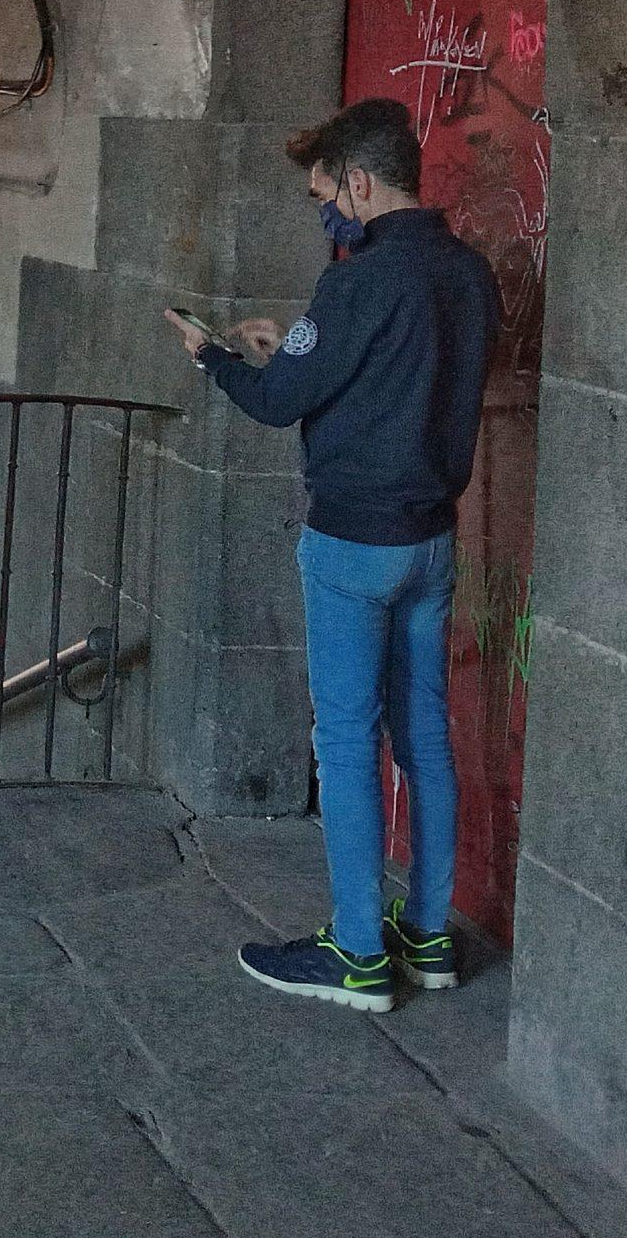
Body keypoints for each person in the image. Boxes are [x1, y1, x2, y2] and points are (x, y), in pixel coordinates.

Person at [166, 98, 497, 1013]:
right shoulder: (470, 274)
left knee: (347, 742)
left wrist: (215, 358)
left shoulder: (355, 283)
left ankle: (357, 952)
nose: (328, 214)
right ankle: (427, 935)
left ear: (358, 181)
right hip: (431, 540)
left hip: (353, 544)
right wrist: (293, 351)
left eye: (326, 196)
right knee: (424, 735)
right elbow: (397, 376)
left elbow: (279, 403)